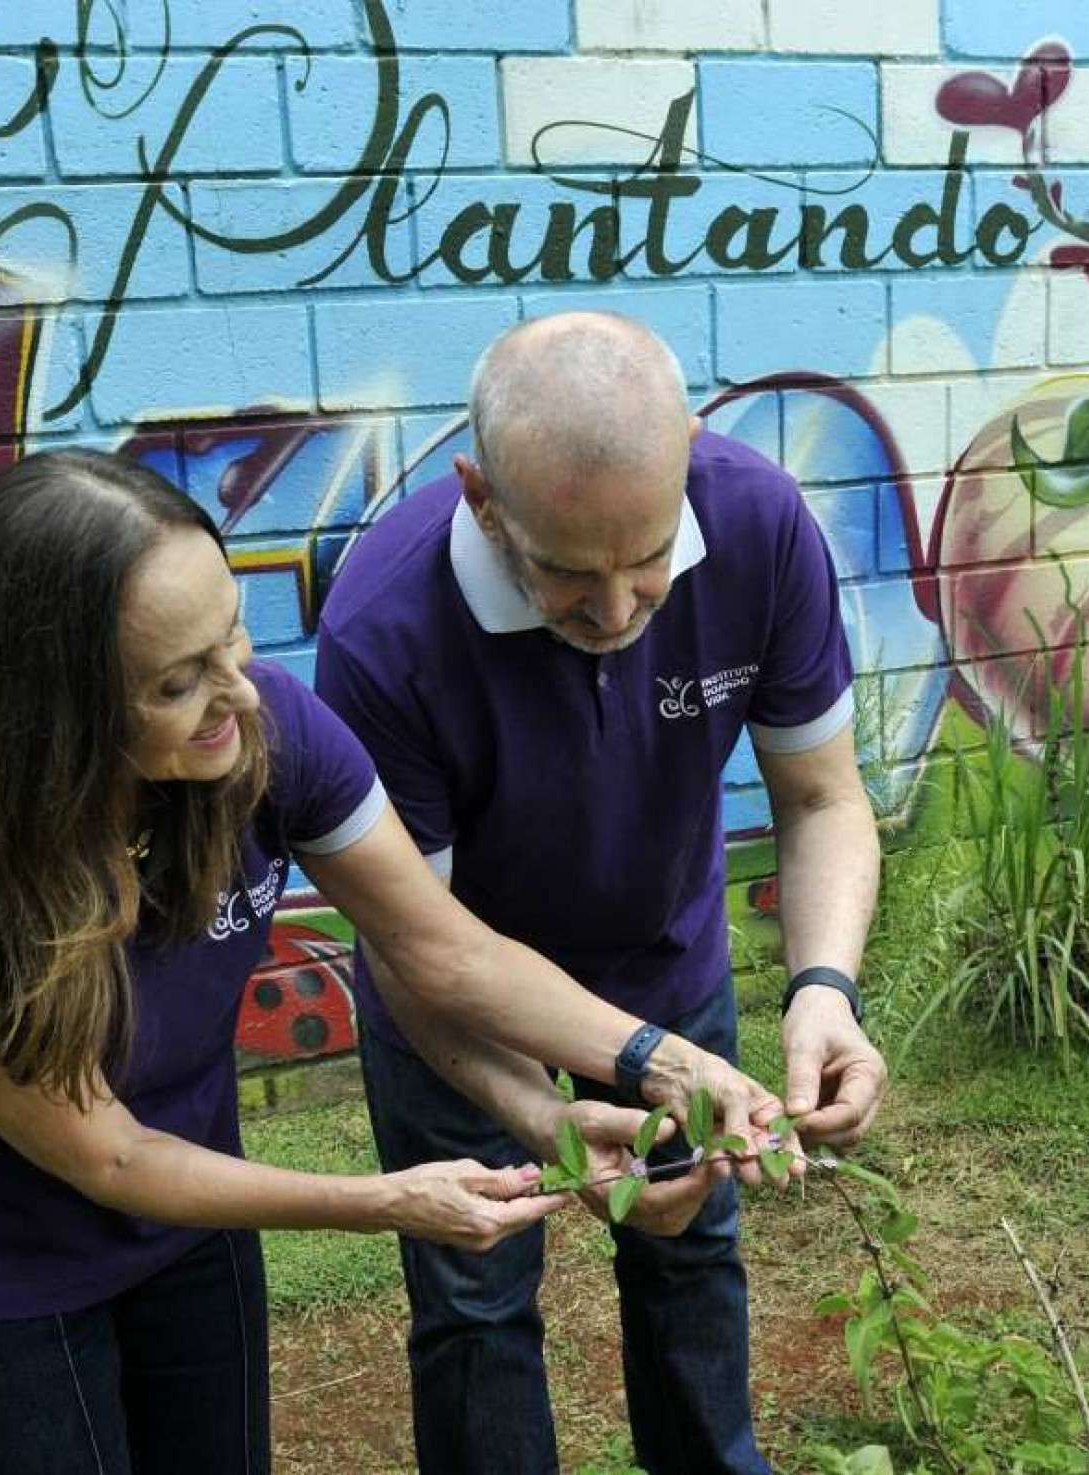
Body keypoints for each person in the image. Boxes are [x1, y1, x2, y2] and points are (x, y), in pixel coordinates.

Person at [0, 447, 775, 1475]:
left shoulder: (262, 731)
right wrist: (387, 1198)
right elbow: (112, 1158)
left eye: (228, 635)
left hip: (186, 1218)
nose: (233, 694)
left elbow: (441, 947)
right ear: (49, 709)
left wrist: (661, 1063)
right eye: (174, 682)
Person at [315, 311, 890, 1474]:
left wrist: (823, 987)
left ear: (685, 451)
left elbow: (823, 800)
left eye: (647, 562)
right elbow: (421, 953)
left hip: (665, 959)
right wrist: (540, 1118)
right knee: (474, 1292)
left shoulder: (759, 523)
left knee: (689, 1252)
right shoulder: (382, 629)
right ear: (481, 498)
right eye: (569, 574)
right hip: (458, 1002)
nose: (619, 610)